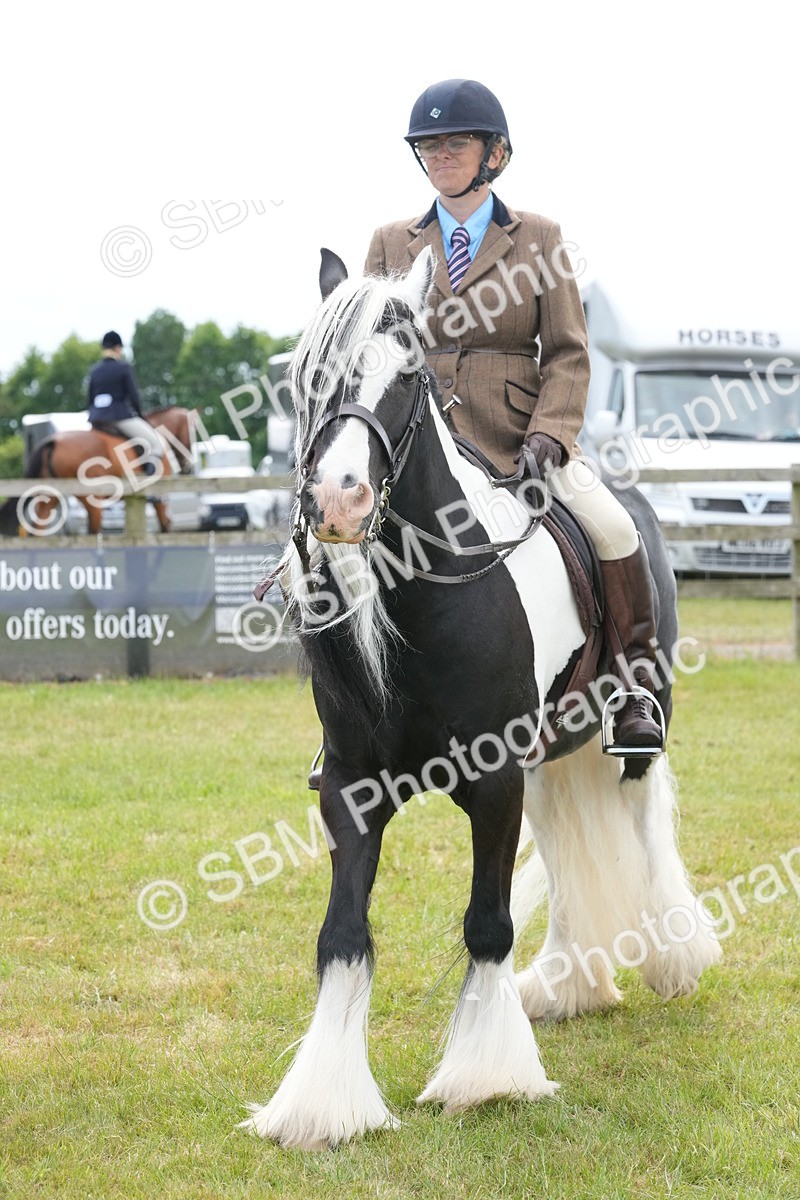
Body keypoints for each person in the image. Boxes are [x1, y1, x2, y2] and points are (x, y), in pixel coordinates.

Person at [365, 78, 662, 753]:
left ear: (493, 154)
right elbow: (373, 351)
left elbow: (567, 351)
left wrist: (552, 435)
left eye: (454, 142)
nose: (439, 154)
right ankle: (349, 726)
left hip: (520, 443)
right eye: (428, 145)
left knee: (614, 527)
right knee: (341, 548)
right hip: (420, 449)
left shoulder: (539, 237)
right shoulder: (389, 244)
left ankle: (633, 690)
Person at [87, 331, 164, 475]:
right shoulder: (123, 367)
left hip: (96, 419)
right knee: (156, 445)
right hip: (118, 417)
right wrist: (140, 416)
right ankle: (150, 486)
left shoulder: (94, 370)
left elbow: (90, 399)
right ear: (117, 348)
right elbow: (134, 397)